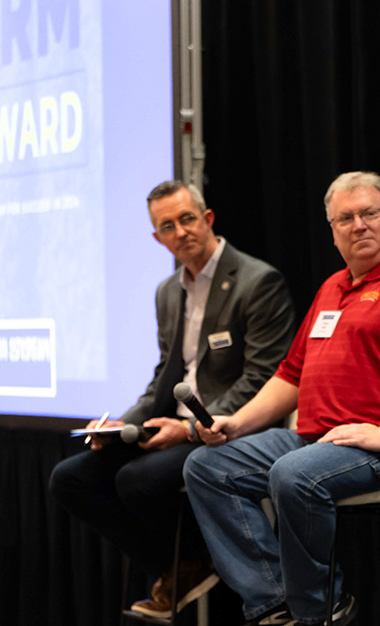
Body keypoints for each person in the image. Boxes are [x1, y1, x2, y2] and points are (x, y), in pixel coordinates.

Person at [182, 171, 380, 626]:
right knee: (207, 467)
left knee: (294, 475)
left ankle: (317, 611)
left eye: (370, 213)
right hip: (315, 438)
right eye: (345, 218)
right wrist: (236, 422)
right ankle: (274, 603)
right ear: (332, 232)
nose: (359, 225)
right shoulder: (332, 288)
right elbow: (290, 376)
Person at [49, 181, 296, 618]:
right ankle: (183, 564)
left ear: (208, 219)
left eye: (187, 219)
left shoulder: (258, 281)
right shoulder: (167, 291)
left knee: (137, 480)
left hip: (233, 429)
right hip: (175, 426)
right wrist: (121, 425)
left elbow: (264, 377)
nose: (180, 232)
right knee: (71, 478)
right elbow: (166, 374)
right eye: (167, 226)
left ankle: (199, 561)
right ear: (156, 237)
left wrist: (188, 428)